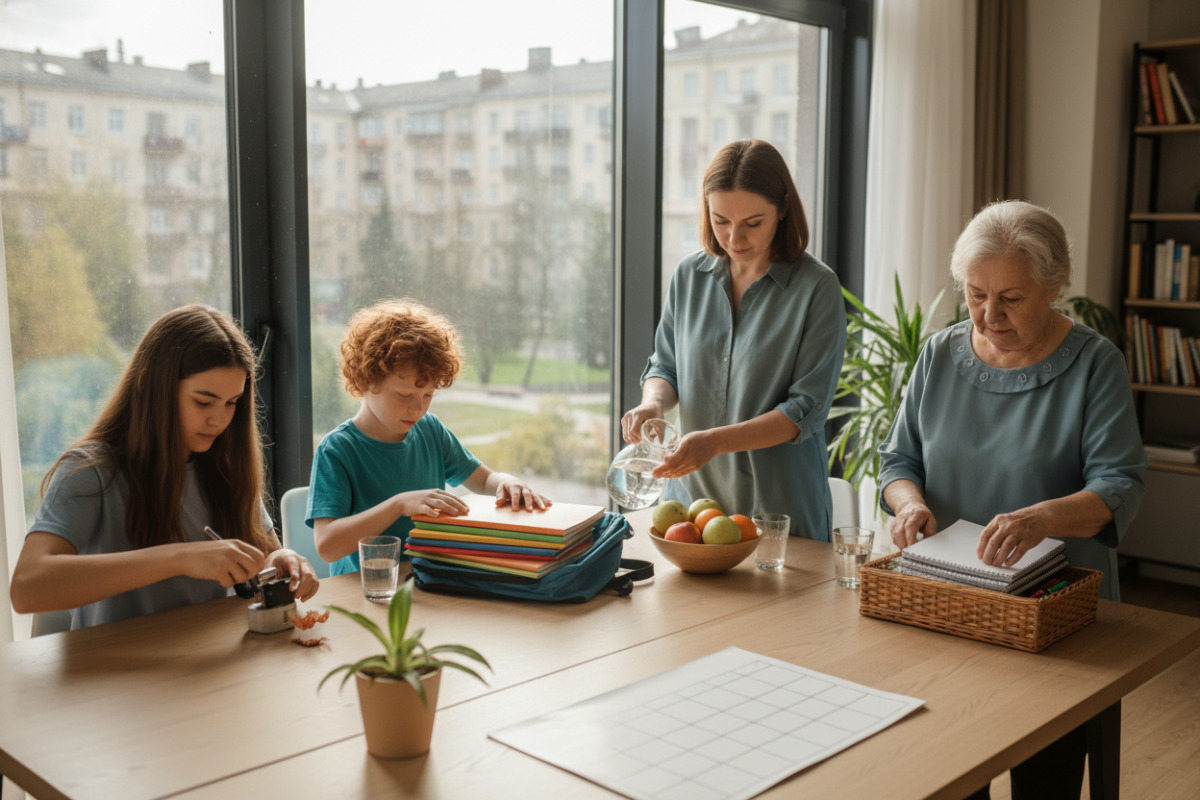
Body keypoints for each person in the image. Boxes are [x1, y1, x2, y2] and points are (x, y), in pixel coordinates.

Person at [877, 200, 1147, 799]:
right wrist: (909, 504)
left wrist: (1039, 518)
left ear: (1054, 286)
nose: (988, 315)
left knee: (1044, 786)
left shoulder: (1094, 365)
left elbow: (1118, 484)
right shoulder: (938, 356)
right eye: (975, 295)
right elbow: (897, 462)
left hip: (1053, 618)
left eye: (1011, 298)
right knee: (949, 777)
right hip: (951, 609)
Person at [11, 305, 320, 630]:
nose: (220, 420)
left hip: (214, 662)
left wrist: (282, 562)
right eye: (203, 402)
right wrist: (181, 558)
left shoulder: (225, 466)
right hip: (119, 670)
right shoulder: (89, 472)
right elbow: (27, 589)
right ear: (154, 388)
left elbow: (267, 557)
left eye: (232, 403)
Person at [621, 139, 846, 541]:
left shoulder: (817, 288)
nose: (734, 237)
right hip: (688, 510)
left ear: (782, 210)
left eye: (752, 223)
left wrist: (714, 443)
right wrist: (652, 403)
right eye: (720, 220)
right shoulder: (689, 276)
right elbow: (666, 366)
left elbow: (805, 410)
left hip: (780, 514)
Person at [307, 298, 549, 576]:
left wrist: (507, 481)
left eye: (428, 395)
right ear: (366, 379)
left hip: (429, 582)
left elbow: (482, 479)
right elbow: (327, 545)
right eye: (404, 394)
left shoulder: (430, 430)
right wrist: (398, 505)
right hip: (368, 592)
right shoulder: (337, 450)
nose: (417, 408)